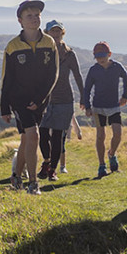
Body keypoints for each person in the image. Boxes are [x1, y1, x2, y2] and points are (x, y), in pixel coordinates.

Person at [1, 0, 59, 195]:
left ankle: (16, 177)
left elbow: (53, 75)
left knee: (27, 139)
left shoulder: (49, 42)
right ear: (20, 21)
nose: (34, 19)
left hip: (41, 100)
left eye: (37, 15)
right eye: (29, 16)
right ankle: (33, 183)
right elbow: (6, 78)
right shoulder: (12, 46)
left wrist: (40, 99)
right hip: (19, 99)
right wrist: (4, 107)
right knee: (33, 134)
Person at [38, 20, 85, 181]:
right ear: (47, 33)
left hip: (64, 100)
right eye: (53, 31)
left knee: (57, 136)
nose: (56, 34)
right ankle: (46, 161)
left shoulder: (70, 54)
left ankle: (52, 170)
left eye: (58, 31)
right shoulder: (43, 52)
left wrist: (84, 97)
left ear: (62, 33)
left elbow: (78, 76)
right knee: (43, 134)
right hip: (45, 100)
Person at [81, 41, 127, 178]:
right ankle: (102, 165)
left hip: (114, 106)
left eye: (102, 55)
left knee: (118, 134)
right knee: (100, 135)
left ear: (109, 54)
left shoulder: (116, 67)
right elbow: (87, 89)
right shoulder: (94, 70)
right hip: (98, 107)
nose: (100, 59)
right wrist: (88, 106)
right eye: (97, 56)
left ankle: (112, 154)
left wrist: (125, 96)